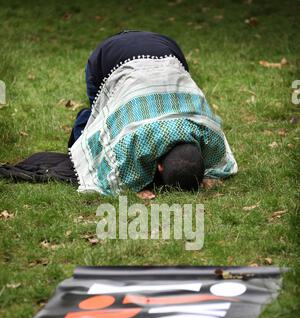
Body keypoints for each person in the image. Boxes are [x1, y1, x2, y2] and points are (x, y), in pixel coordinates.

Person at [68, 30, 237, 199]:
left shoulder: (208, 133)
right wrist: (133, 186)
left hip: (165, 47)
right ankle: (83, 121)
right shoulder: (130, 142)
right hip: (108, 56)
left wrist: (205, 175)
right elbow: (109, 173)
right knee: (100, 123)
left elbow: (217, 164)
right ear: (160, 167)